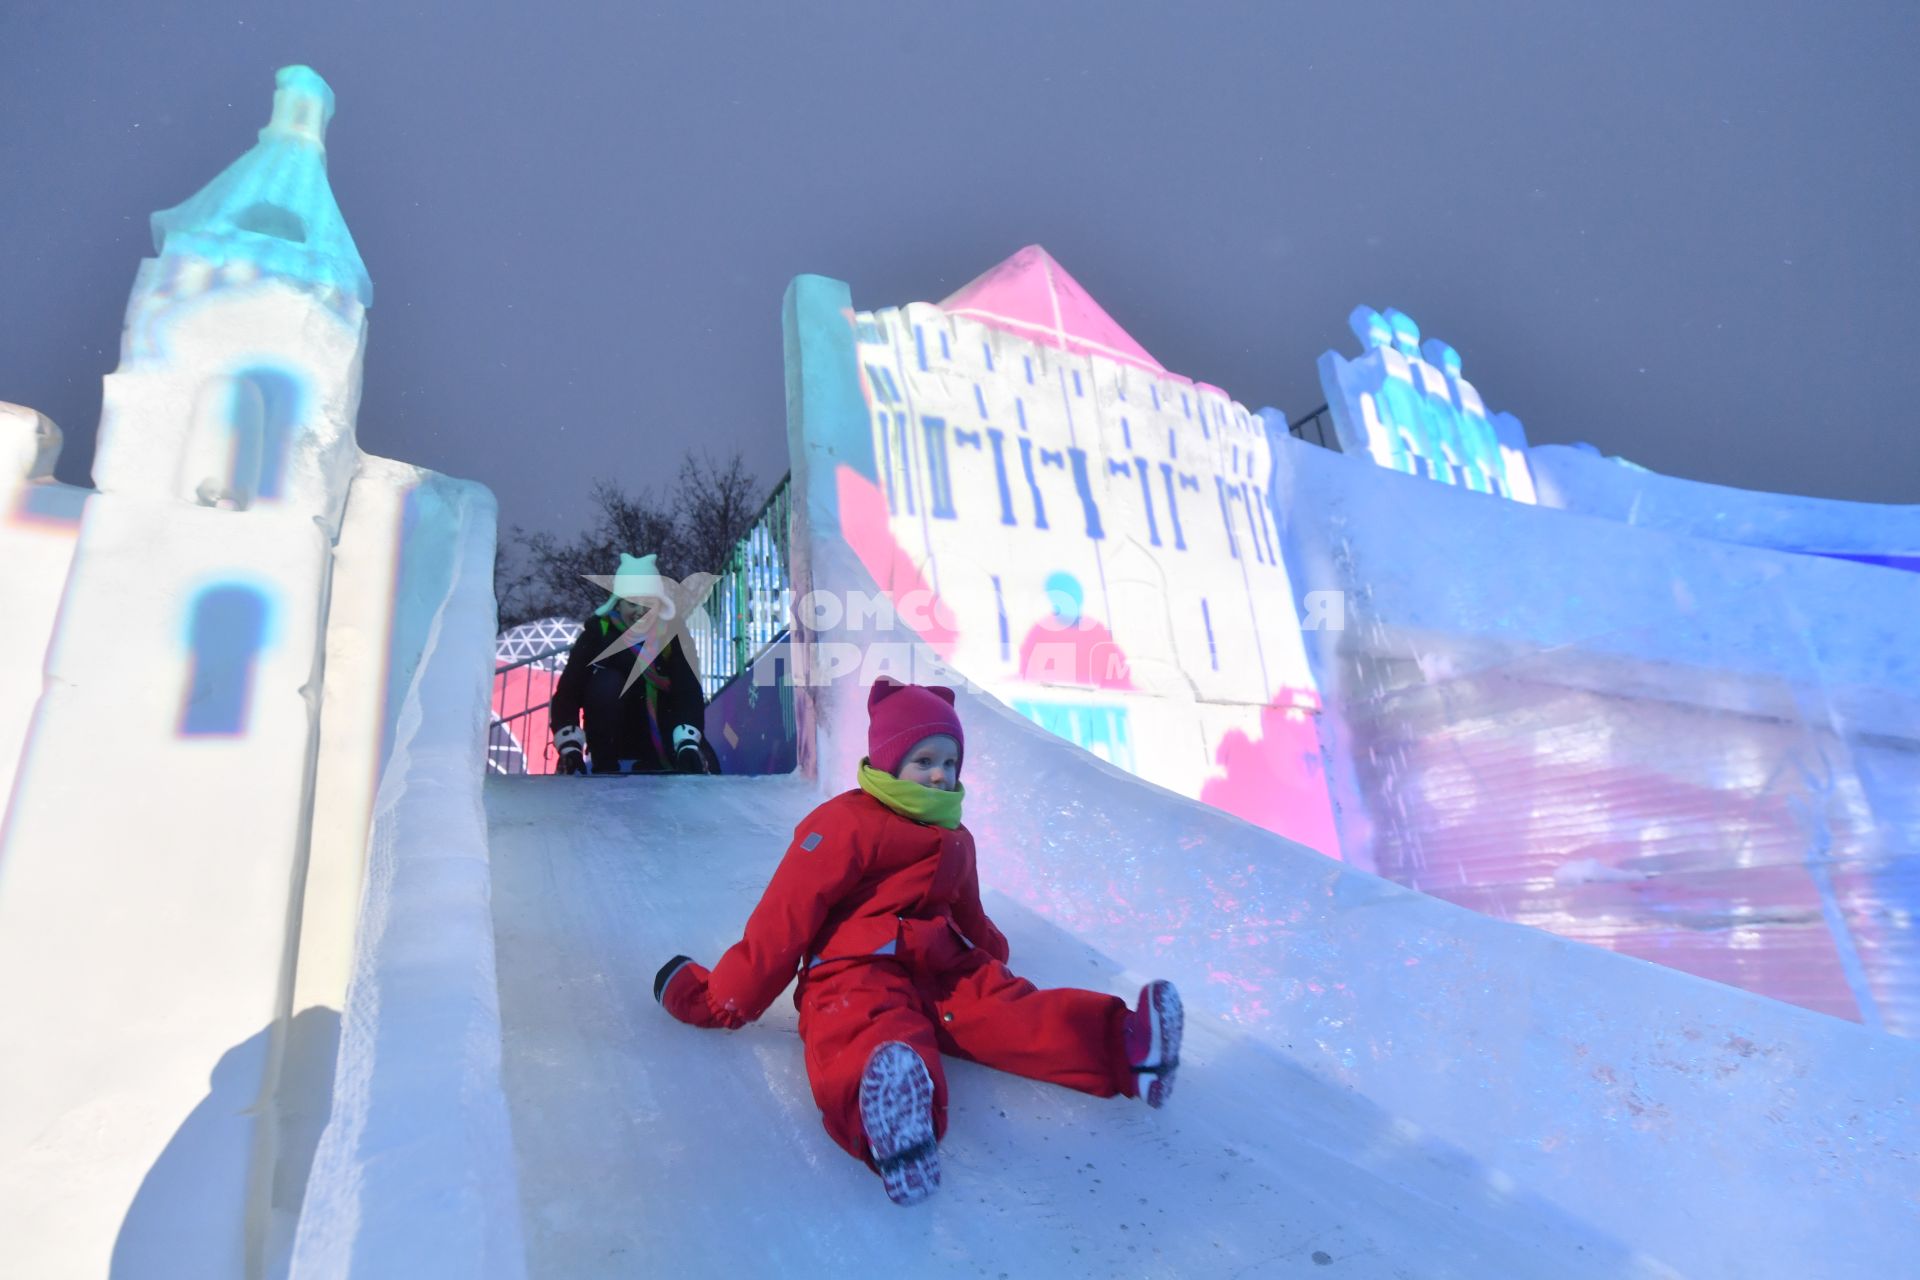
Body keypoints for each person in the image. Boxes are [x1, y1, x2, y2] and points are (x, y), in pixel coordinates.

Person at [653, 678, 1182, 1206]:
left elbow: (967, 910)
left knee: (1012, 1012)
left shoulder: (955, 835)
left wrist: (990, 958)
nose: (939, 774)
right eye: (924, 759)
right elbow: (782, 919)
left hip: (940, 964)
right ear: (887, 761)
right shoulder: (845, 823)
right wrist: (717, 998)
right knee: (863, 1028)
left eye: (950, 763)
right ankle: (891, 1125)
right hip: (853, 966)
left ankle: (1127, 1045)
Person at [550, 552, 714, 775]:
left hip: (661, 730)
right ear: (618, 603)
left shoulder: (673, 635)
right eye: (632, 603)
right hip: (611, 732)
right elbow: (568, 691)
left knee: (709, 764)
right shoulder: (598, 633)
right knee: (607, 682)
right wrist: (570, 746)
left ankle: (661, 759)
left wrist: (687, 742)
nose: (640, 612)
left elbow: (688, 690)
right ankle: (605, 764)